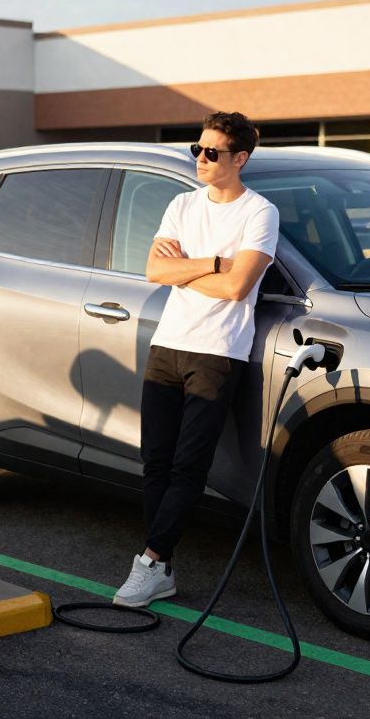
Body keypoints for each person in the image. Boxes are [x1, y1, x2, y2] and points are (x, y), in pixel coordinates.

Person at [113, 111, 280, 608]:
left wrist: (183, 269)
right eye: (197, 149)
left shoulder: (259, 213)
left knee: (189, 466)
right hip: (168, 343)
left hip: (217, 352)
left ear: (240, 159)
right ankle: (161, 568)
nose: (200, 159)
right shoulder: (182, 204)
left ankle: (149, 561)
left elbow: (237, 287)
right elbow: (152, 271)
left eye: (212, 152)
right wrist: (209, 263)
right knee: (155, 462)